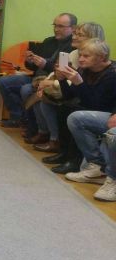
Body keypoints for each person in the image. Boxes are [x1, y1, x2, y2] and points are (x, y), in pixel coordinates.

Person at [31, 22, 104, 153]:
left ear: (93, 38)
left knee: (62, 105)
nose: (74, 37)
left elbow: (87, 95)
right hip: (75, 93)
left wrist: (52, 83)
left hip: (88, 101)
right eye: (75, 33)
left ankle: (57, 142)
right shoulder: (74, 53)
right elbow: (64, 79)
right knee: (42, 97)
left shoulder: (100, 67)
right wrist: (53, 80)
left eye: (79, 35)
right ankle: (51, 139)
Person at [49, 39, 116, 175]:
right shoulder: (85, 69)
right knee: (64, 107)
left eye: (86, 56)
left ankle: (78, 160)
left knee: (75, 113)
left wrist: (79, 83)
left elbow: (96, 104)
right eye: (80, 55)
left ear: (101, 57)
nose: (80, 59)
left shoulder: (112, 74)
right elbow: (68, 96)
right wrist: (62, 80)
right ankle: (65, 153)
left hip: (108, 113)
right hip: (91, 106)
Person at [0, 13, 75, 129]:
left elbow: (63, 72)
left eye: (61, 26)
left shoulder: (73, 46)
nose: (56, 29)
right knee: (4, 81)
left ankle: (32, 125)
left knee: (26, 89)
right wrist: (30, 61)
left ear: (72, 28)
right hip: (35, 77)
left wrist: (45, 65)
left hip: (53, 80)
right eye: (55, 25)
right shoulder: (48, 41)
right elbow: (34, 67)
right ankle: (18, 117)